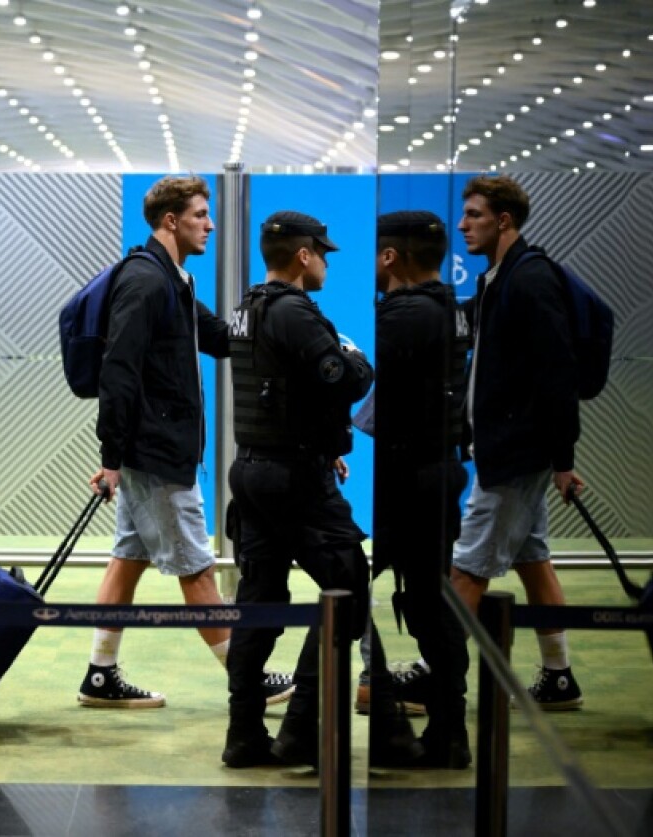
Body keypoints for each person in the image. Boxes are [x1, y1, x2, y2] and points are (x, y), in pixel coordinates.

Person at [82, 175, 293, 709]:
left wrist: (276, 314)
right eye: (201, 214)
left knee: (127, 559)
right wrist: (111, 458)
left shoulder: (173, 281)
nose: (211, 223)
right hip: (156, 454)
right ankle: (245, 676)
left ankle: (99, 676)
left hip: (155, 450)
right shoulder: (147, 283)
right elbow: (119, 371)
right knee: (197, 568)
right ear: (171, 221)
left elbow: (220, 338)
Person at [221, 210, 422, 770]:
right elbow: (342, 377)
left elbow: (280, 391)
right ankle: (326, 727)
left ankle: (245, 734)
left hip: (255, 473)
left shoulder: (247, 308)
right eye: (324, 254)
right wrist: (358, 357)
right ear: (303, 255)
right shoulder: (295, 312)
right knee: (349, 585)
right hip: (297, 481)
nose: (329, 263)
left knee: (257, 605)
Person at [450, 175, 586, 709]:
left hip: (515, 454)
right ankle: (559, 677)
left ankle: (437, 675)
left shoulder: (529, 279)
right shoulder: (495, 281)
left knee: (468, 568)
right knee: (533, 560)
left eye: (476, 215)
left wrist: (562, 458)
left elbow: (558, 373)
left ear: (504, 220)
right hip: (506, 449)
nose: (464, 224)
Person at [369, 210, 472, 768]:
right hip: (436, 471)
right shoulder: (450, 310)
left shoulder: (403, 314)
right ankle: (444, 729)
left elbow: (357, 375)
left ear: (390, 257)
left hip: (407, 478)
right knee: (429, 601)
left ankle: (422, 724)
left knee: (356, 590)